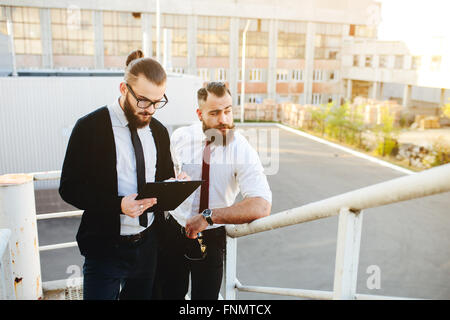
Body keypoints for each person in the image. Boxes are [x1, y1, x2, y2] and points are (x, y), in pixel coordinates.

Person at [59, 49, 182, 300]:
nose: (150, 109)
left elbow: (164, 177)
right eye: (143, 100)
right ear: (123, 89)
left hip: (147, 247)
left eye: (158, 101)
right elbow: (69, 187)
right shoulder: (89, 127)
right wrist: (118, 205)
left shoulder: (159, 132)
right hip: (104, 249)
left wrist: (172, 186)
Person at [154, 81, 272, 300]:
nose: (224, 120)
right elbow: (169, 172)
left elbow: (261, 204)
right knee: (167, 295)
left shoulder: (242, 150)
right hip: (172, 231)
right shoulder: (180, 137)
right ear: (200, 114)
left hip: (210, 237)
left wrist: (209, 217)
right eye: (215, 113)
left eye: (228, 111)